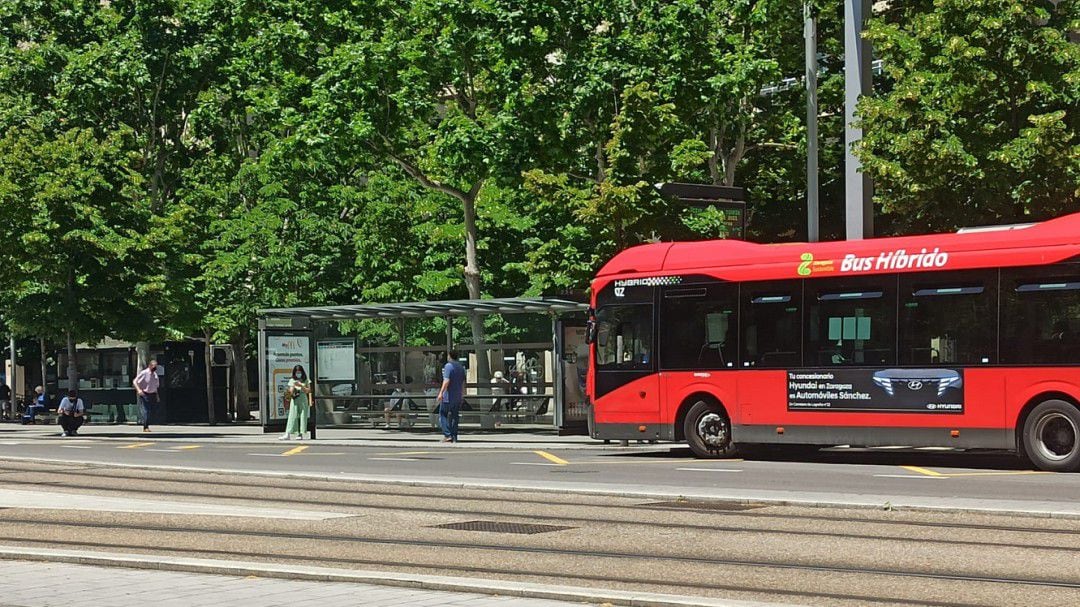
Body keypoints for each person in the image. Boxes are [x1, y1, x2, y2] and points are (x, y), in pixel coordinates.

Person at [435, 351, 465, 443]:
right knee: (455, 416)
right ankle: (454, 436)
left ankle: (447, 435)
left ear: (450, 356)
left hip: (448, 396)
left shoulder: (448, 366)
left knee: (443, 414)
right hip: (457, 396)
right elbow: (463, 382)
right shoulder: (461, 367)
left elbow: (446, 381)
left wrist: (441, 393)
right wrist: (462, 394)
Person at [280, 365, 312, 440]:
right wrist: (292, 388)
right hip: (295, 399)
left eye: (299, 372)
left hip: (303, 399)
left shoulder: (306, 380)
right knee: (292, 416)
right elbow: (290, 391)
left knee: (302, 416)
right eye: (297, 372)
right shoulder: (292, 380)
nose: (298, 374)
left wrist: (301, 386)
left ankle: (300, 434)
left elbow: (309, 391)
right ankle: (287, 433)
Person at [133, 360, 160, 433]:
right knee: (146, 410)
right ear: (150, 366)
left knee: (151, 411)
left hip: (153, 394)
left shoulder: (155, 375)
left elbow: (155, 386)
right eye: (154, 366)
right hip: (145, 394)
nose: (155, 368)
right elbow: (135, 381)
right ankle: (145, 427)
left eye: (156, 366)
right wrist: (139, 390)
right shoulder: (144, 373)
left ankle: (147, 424)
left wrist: (157, 396)